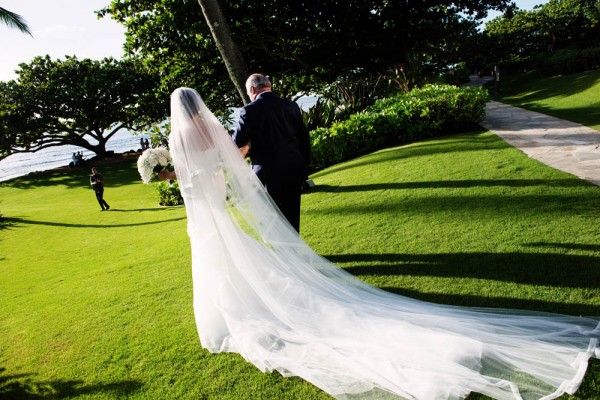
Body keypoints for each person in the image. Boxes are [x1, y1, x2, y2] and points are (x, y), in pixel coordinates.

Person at [167, 87, 599, 400]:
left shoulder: (181, 137)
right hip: (268, 179)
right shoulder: (218, 126)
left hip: (205, 212)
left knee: (219, 259)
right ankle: (283, 267)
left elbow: (196, 173)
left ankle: (234, 312)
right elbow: (241, 155)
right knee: (266, 238)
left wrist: (165, 174)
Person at [233, 73, 310, 232]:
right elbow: (304, 137)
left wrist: (248, 143)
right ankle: (294, 251)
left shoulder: (249, 110)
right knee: (292, 212)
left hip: (267, 172)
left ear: (252, 89)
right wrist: (304, 163)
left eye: (248, 92)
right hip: (294, 166)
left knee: (271, 216)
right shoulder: (290, 105)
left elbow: (237, 142)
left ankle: (281, 253)